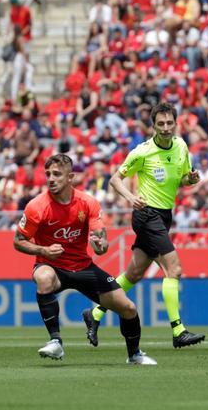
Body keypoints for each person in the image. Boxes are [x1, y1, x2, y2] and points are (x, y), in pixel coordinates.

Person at [82, 102, 205, 349]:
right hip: (146, 215)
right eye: (160, 124)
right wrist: (130, 197)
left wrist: (190, 180)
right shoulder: (142, 152)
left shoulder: (181, 146)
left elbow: (180, 179)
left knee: (134, 274)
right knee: (174, 269)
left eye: (170, 123)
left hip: (164, 216)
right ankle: (178, 330)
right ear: (153, 126)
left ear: (176, 123)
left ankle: (94, 313)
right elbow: (115, 179)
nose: (166, 128)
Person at [13, 154, 155, 365]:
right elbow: (18, 241)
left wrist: (100, 245)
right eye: (48, 174)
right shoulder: (36, 206)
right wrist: (43, 251)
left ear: (70, 177)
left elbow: (102, 243)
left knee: (129, 308)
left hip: (83, 267)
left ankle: (134, 355)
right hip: (52, 266)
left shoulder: (87, 203)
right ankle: (56, 342)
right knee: (43, 278)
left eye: (57, 174)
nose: (51, 179)